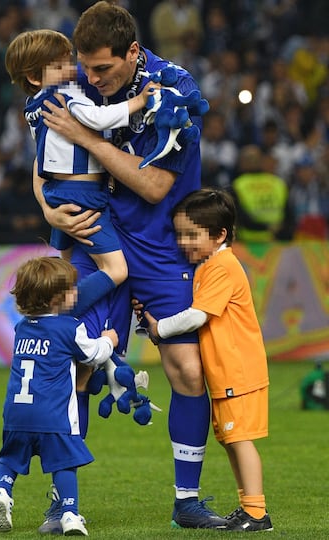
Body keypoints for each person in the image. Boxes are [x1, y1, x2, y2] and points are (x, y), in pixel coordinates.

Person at [33, 0, 226, 531]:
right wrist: (50, 207)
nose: (92, 80)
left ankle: (187, 500)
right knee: (74, 370)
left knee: (187, 370)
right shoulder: (74, 83)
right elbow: (42, 154)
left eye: (103, 69)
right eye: (85, 67)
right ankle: (62, 501)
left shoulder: (176, 92)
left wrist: (88, 138)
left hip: (164, 244)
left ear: (133, 53)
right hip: (96, 235)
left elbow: (154, 184)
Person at [144, 188, 273, 532]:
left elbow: (196, 316)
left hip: (238, 372)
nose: (183, 243)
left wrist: (160, 328)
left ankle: (258, 514)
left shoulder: (222, 266)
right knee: (232, 439)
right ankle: (249, 509)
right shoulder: (211, 264)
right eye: (179, 234)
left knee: (240, 439)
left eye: (192, 235)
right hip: (227, 374)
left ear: (219, 235)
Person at [5, 28, 158, 296]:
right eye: (60, 65)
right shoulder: (63, 96)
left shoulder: (32, 106)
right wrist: (139, 101)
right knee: (116, 270)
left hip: (56, 192)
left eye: (69, 60)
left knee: (70, 271)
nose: (71, 69)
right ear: (34, 76)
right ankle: (66, 309)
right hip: (83, 196)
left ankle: (58, 319)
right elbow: (99, 118)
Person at [0, 256, 119, 536]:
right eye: (72, 289)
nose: (77, 293)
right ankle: (70, 513)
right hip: (53, 414)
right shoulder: (70, 327)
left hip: (16, 412)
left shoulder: (21, 328)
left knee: (10, 459)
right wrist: (109, 339)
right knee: (64, 462)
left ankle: (2, 490)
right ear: (57, 299)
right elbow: (93, 354)